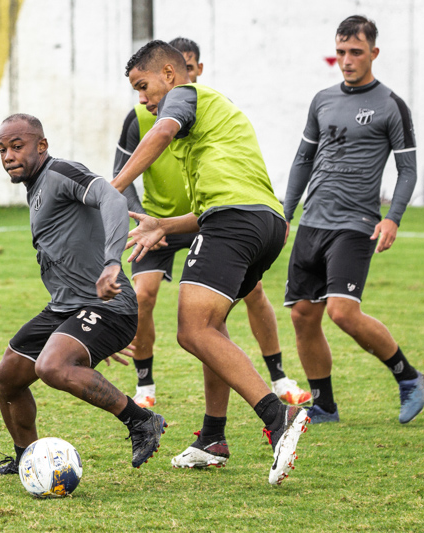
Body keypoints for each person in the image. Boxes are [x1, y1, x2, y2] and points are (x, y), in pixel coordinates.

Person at [112, 41, 309, 485]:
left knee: (192, 329)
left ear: (169, 72)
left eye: (143, 86)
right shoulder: (214, 123)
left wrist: (113, 187)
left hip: (236, 221)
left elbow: (160, 133)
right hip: (263, 222)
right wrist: (165, 225)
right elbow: (207, 211)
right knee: (211, 328)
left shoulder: (187, 95)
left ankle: (279, 417)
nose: (143, 100)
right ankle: (213, 439)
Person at [0, 113, 165, 476]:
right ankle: (26, 457)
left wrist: (111, 263)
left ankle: (141, 420)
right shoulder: (36, 188)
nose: (8, 156)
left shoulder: (60, 173)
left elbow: (112, 198)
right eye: (3, 149)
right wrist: (85, 338)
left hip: (107, 305)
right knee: (5, 377)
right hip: (67, 309)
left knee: (52, 366)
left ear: (42, 146)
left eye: (17, 146)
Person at [283, 15, 424, 425]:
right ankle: (325, 405)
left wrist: (392, 218)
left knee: (342, 313)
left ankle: (409, 378)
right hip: (314, 220)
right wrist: (286, 211)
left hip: (356, 222)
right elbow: (303, 159)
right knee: (302, 314)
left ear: (373, 53)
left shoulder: (391, 105)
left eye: (356, 52)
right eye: (341, 52)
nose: (347, 60)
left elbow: (409, 170)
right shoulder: (322, 99)